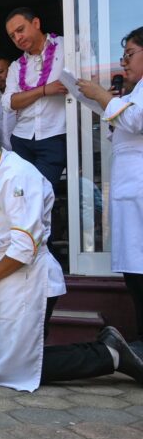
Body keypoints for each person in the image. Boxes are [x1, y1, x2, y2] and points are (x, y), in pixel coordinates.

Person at [0, 102, 143, 391]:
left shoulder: (17, 176)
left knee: (16, 371)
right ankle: (107, 350)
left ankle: (110, 355)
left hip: (29, 279)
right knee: (4, 364)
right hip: (8, 276)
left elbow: (23, 246)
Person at [77, 26, 143, 357]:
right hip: (130, 187)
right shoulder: (134, 91)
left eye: (129, 54)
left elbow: (138, 120)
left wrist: (102, 96)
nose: (124, 62)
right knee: (135, 270)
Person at [3, 7, 68, 188]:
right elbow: (9, 102)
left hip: (54, 134)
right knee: (22, 195)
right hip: (22, 138)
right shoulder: (16, 66)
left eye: (20, 30)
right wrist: (44, 90)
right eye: (12, 36)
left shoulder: (66, 47)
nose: (17, 38)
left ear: (36, 23)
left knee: (40, 193)